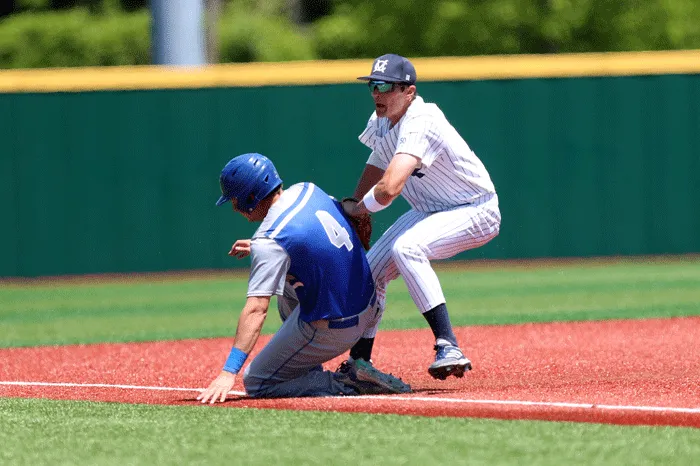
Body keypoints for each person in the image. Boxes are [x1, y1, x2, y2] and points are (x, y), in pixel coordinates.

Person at [197, 153, 411, 404]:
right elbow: (312, 238)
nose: (234, 207)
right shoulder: (306, 190)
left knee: (257, 381)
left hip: (339, 326)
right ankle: (307, 367)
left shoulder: (271, 241)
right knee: (287, 284)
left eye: (235, 198)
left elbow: (256, 310)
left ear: (251, 196)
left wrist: (227, 372)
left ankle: (346, 382)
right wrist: (260, 245)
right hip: (369, 305)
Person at [341, 53, 502, 380]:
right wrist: (357, 206)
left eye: (385, 86)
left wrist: (359, 209)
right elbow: (377, 161)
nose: (377, 93)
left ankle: (449, 345)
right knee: (370, 271)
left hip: (475, 207)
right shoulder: (381, 120)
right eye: (373, 85)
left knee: (407, 249)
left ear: (409, 91)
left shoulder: (422, 120)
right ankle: (360, 365)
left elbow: (389, 189)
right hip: (429, 210)